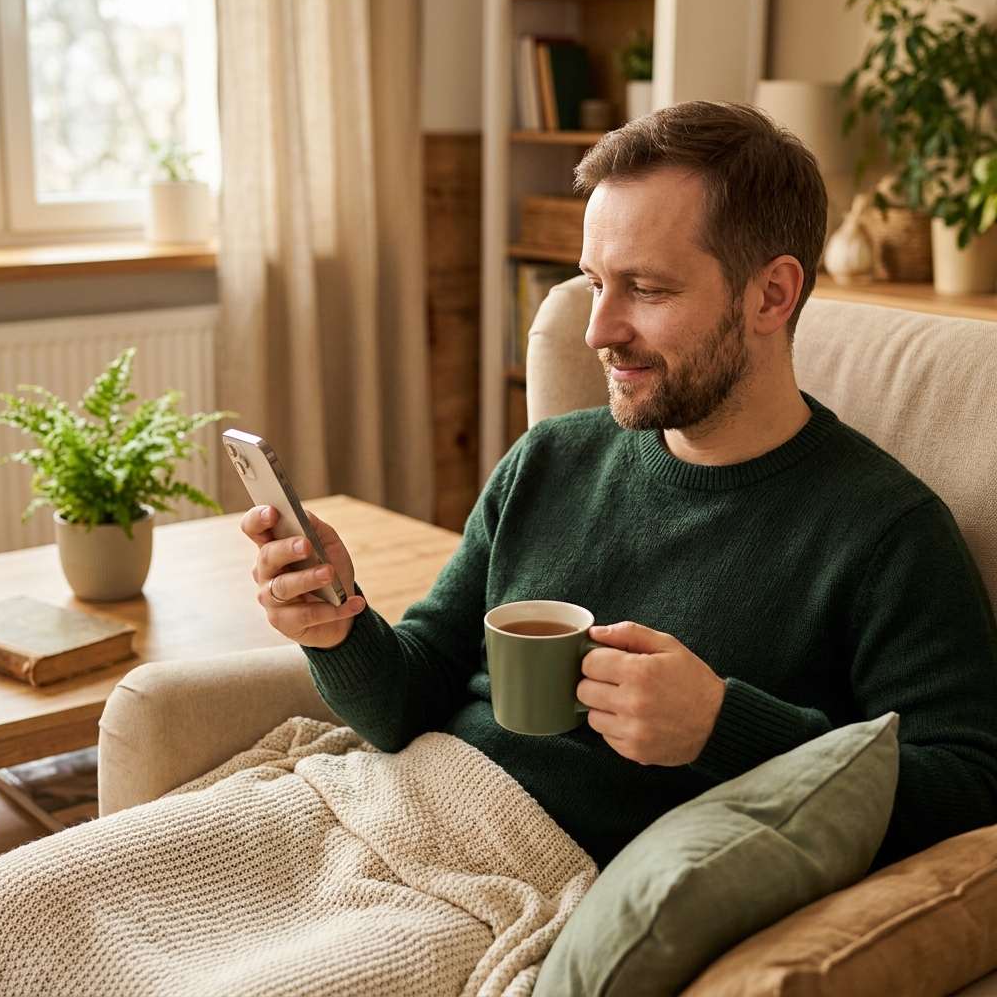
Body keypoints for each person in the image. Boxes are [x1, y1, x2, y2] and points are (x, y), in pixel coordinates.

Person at [243, 101, 997, 871]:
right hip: (384, 812)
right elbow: (410, 696)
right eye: (594, 281)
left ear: (771, 295)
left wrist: (721, 729)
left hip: (528, 886)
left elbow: (972, 791)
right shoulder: (548, 460)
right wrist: (336, 629)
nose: (598, 330)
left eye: (646, 288)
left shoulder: (884, 534)